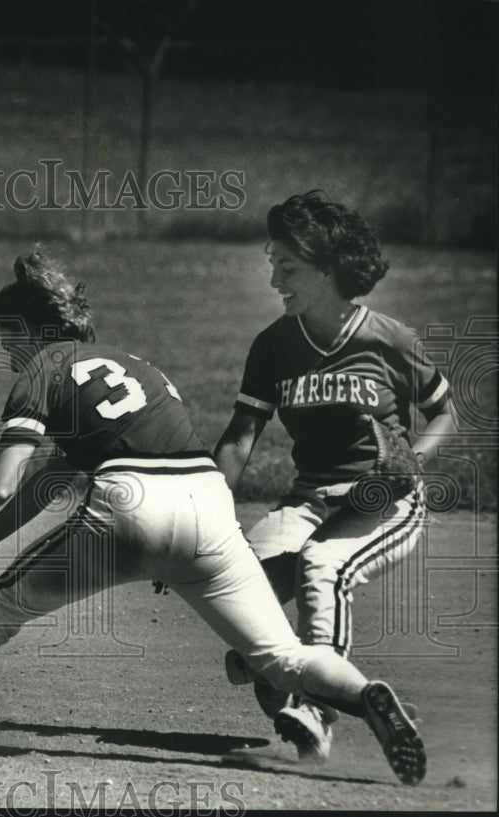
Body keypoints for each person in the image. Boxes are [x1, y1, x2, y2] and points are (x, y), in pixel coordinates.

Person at [0, 248, 427, 786]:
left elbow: (3, 482)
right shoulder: (136, 366)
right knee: (282, 656)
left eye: (9, 338)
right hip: (207, 507)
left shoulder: (41, 370)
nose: (6, 353)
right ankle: (366, 692)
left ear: (31, 332)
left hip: (129, 505)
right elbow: (51, 481)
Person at [212, 191, 455, 764]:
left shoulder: (389, 339)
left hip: (382, 496)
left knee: (323, 567)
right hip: (310, 498)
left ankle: (318, 710)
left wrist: (412, 461)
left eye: (287, 266)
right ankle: (350, 699)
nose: (275, 279)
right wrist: (203, 515)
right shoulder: (274, 345)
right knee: (240, 596)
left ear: (328, 267)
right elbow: (240, 438)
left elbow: (446, 413)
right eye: (272, 264)